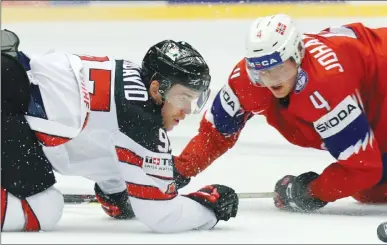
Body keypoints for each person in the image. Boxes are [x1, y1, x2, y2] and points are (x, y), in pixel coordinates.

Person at [174, 14, 387, 212]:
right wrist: (178, 172)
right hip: (372, 101)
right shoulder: (246, 82)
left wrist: (310, 192)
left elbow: (362, 168)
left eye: (279, 68)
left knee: (363, 180)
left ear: (298, 55)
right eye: (260, 71)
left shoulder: (326, 86)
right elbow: (215, 135)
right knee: (366, 190)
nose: (270, 80)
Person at [1, 29, 238, 232]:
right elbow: (163, 216)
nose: (187, 110)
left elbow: (100, 142)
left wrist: (119, 194)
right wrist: (210, 206)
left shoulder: (127, 80)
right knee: (43, 209)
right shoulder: (142, 122)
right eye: (183, 97)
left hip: (9, 78)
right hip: (9, 108)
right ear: (157, 89)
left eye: (194, 100)